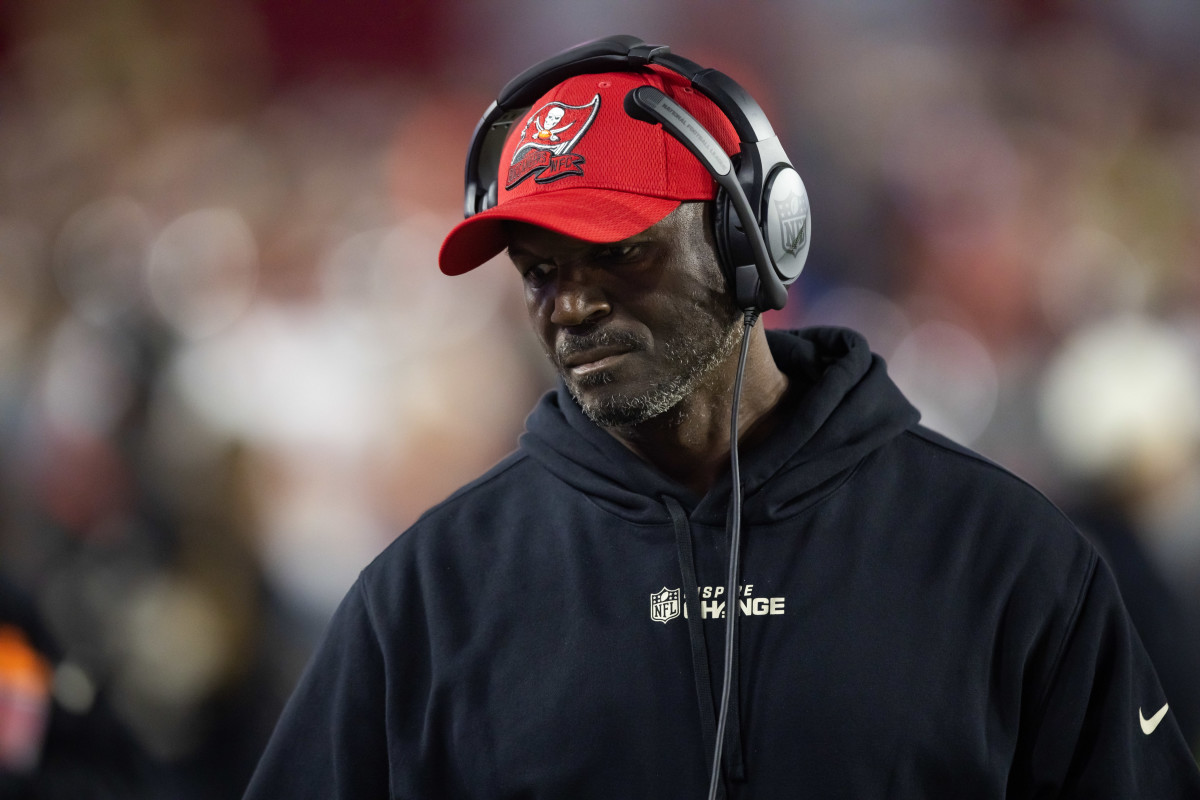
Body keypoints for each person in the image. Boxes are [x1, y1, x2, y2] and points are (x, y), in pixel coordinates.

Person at [243, 37, 1200, 798]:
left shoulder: (1002, 554)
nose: (568, 306)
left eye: (616, 255)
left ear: (753, 237)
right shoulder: (428, 595)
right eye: (540, 271)